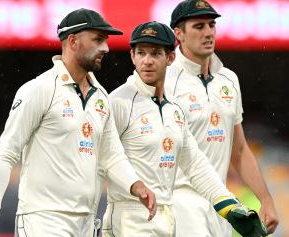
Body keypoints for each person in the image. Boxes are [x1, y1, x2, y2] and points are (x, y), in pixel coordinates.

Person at [0, 8, 157, 237]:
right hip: (43, 220)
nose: (106, 48)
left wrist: (135, 184)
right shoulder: (39, 89)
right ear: (73, 41)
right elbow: (7, 153)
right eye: (98, 40)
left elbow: (112, 154)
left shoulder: (101, 97)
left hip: (87, 222)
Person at [101, 21, 260, 237]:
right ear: (132, 56)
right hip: (130, 216)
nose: (147, 61)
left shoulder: (174, 109)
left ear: (170, 58)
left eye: (156, 53)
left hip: (167, 216)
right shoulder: (118, 102)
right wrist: (133, 185)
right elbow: (103, 157)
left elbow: (195, 163)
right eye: (141, 53)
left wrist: (229, 206)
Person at [166, 0, 279, 236]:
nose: (208, 33)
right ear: (179, 34)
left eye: (211, 25)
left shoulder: (228, 79)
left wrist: (265, 200)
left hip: (221, 204)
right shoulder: (164, 80)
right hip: (180, 201)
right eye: (198, 26)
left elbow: (238, 150)